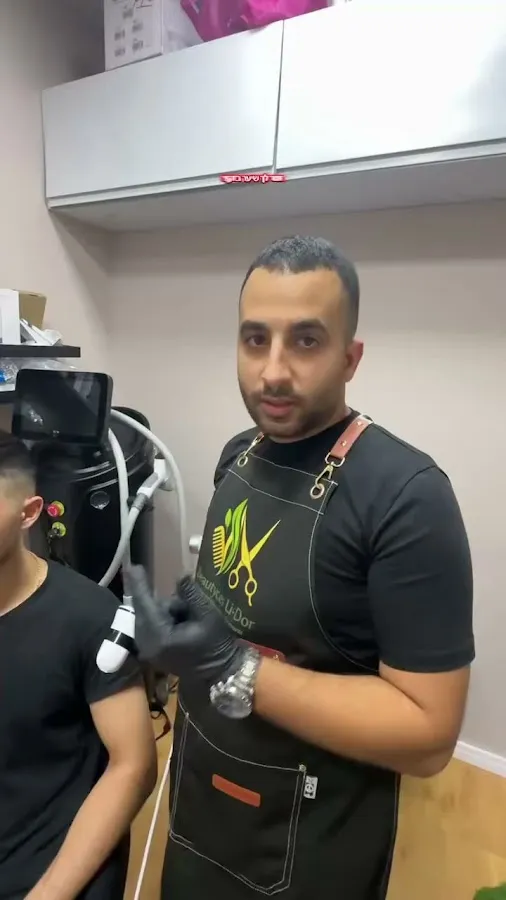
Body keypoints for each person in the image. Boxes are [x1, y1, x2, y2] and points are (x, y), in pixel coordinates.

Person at [130, 235, 474, 900]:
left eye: (306, 341)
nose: (273, 372)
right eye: (255, 339)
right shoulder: (240, 454)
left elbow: (429, 735)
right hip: (200, 797)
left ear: (350, 358)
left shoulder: (406, 497)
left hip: (308, 838)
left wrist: (234, 667)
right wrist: (183, 638)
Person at [0, 431, 157, 900]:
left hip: (41, 871)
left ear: (29, 513)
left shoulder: (89, 618)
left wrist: (49, 894)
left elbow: (133, 766)